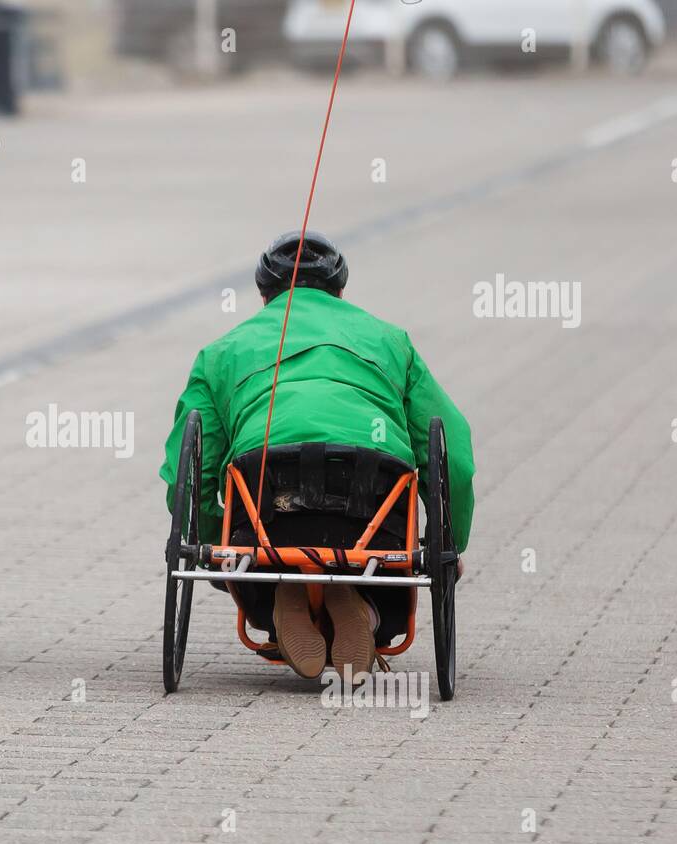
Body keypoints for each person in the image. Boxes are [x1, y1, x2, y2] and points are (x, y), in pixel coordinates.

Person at [160, 231, 475, 678]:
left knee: (258, 549)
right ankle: (359, 604)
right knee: (380, 548)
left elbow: (190, 473)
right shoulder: (390, 340)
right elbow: (453, 453)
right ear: (341, 293)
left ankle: (281, 602)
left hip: (265, 509)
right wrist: (451, 543)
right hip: (374, 508)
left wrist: (213, 548)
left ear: (263, 297)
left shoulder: (221, 352)